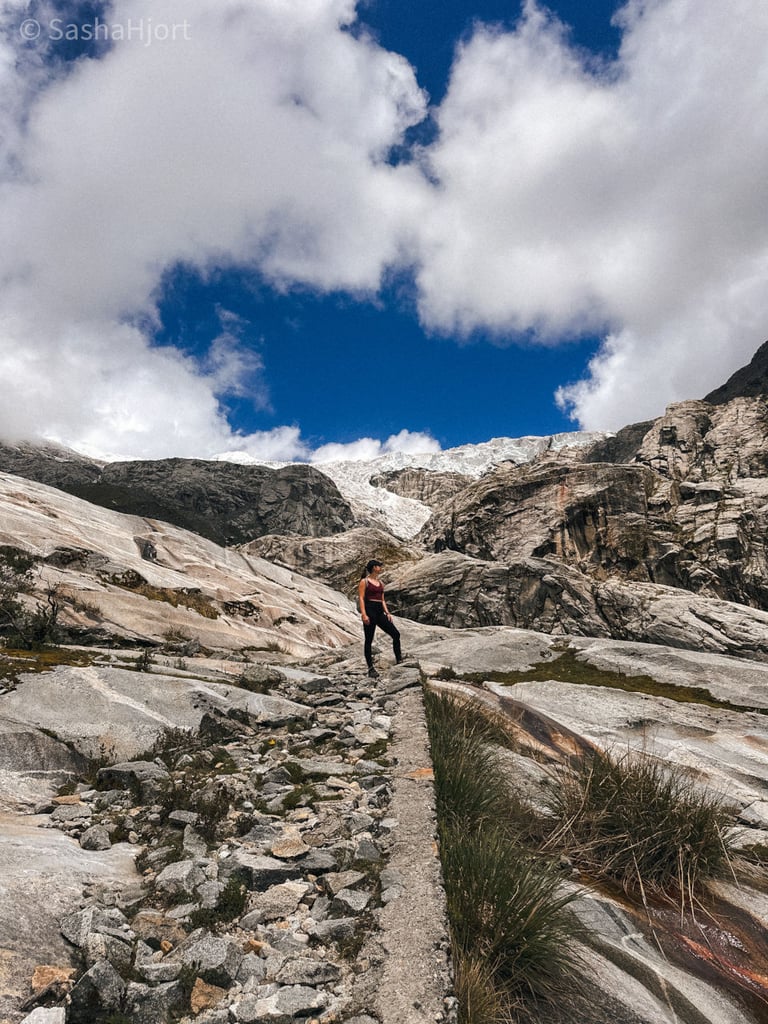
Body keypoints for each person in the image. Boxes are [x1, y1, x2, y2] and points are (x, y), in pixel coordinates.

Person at [358, 559, 402, 678]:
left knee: (396, 634)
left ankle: (399, 660)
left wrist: (387, 612)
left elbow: (382, 599)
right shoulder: (364, 581)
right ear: (373, 567)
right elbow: (361, 598)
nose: (380, 568)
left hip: (379, 611)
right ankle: (371, 668)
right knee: (369, 640)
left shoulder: (380, 583)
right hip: (370, 610)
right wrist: (364, 614)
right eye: (378, 566)